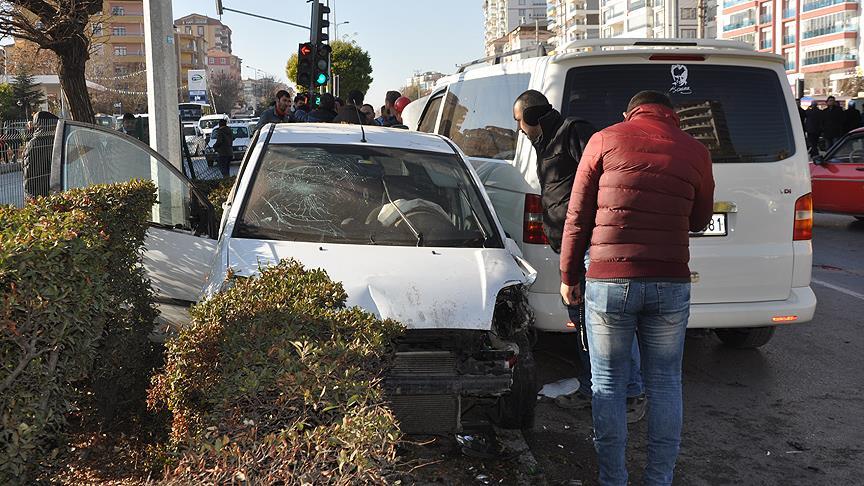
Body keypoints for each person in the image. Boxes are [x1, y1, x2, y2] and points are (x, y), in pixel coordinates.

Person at [559, 91, 714, 486]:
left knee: (608, 384)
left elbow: (577, 216)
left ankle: (613, 479)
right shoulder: (696, 151)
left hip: (609, 280)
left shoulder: (604, 140)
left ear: (628, 113)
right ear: (673, 116)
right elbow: (700, 220)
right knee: (665, 384)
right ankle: (659, 479)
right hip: (670, 279)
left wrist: (569, 275)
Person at [512, 89, 646, 421]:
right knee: (586, 325)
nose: (519, 129)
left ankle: (631, 394)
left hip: (591, 247)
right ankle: (592, 388)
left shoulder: (573, 132)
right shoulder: (546, 143)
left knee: (609, 323)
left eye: (519, 121)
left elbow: (606, 177)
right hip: (572, 248)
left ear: (532, 117)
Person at [22, 111, 59, 199]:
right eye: (55, 125)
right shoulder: (40, 143)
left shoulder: (46, 141)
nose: (56, 128)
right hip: (40, 193)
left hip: (40, 191)